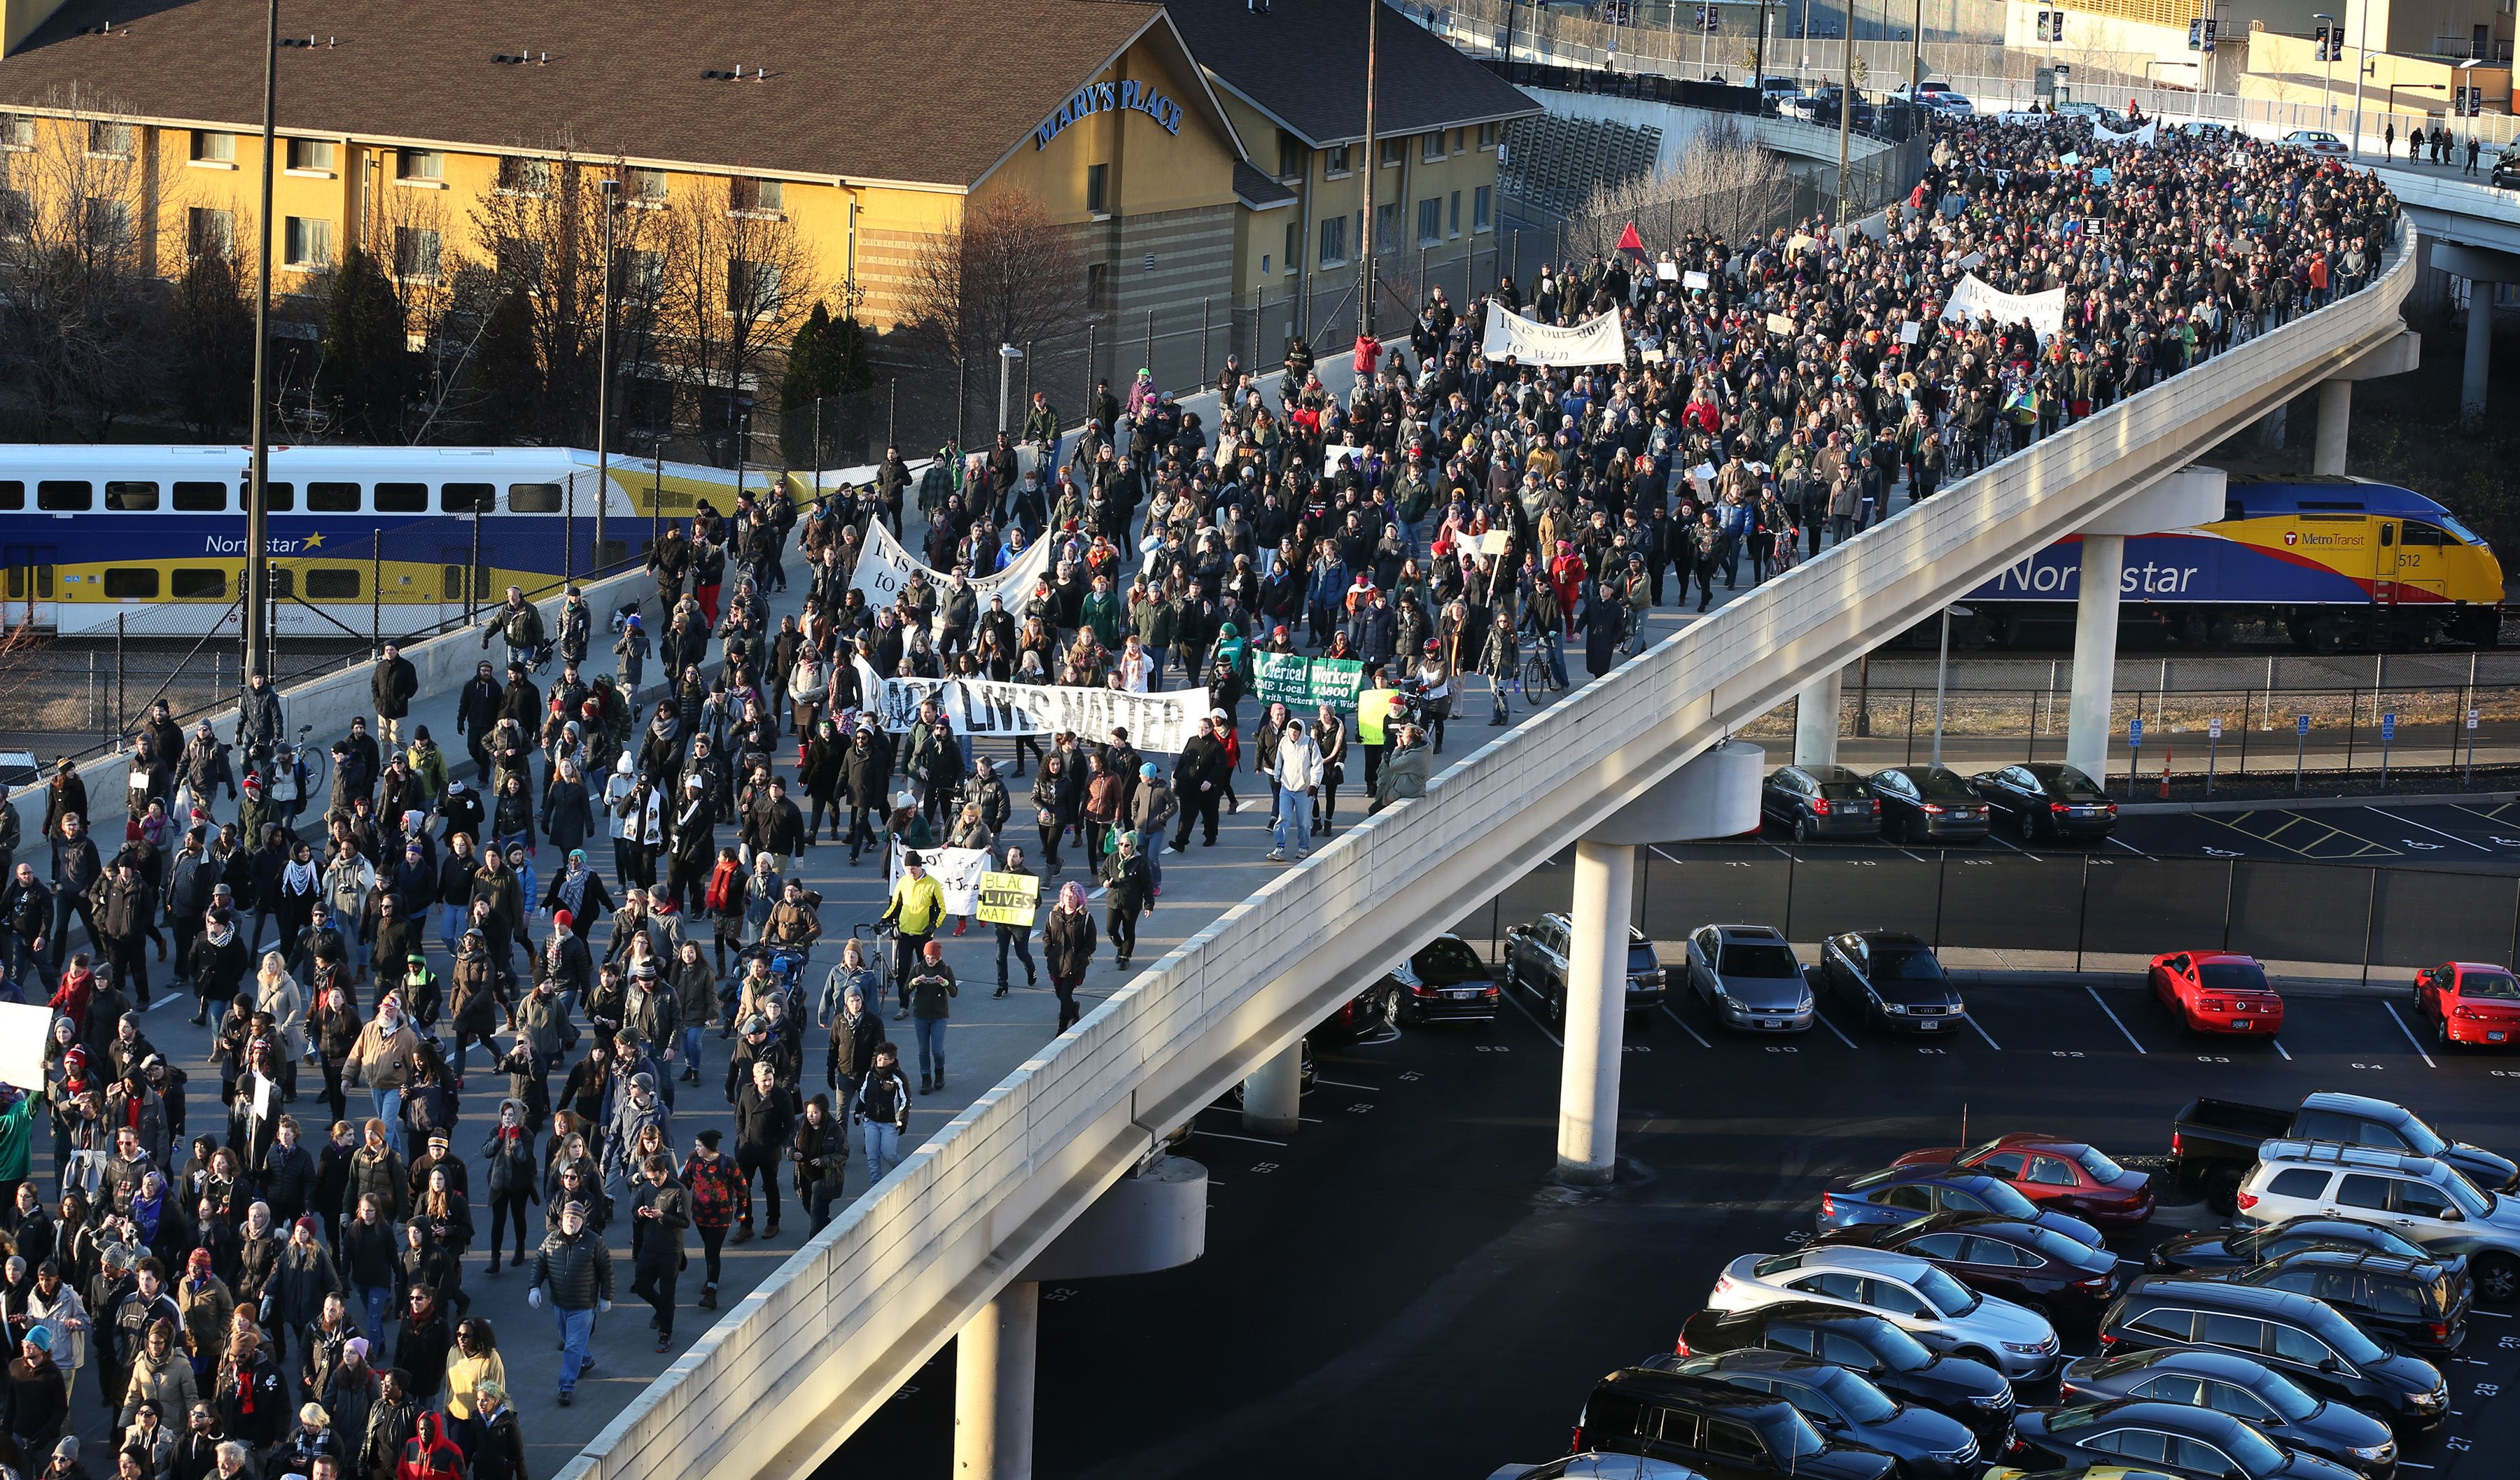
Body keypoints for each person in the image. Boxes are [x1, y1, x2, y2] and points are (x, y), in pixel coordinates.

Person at [524, 1199, 610, 1407]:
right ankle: (586, 1359)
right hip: (559, 1303)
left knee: (572, 1345)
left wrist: (606, 1297)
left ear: (583, 1220)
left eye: (574, 1217)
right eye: (567, 1217)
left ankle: (566, 1387)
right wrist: (534, 1287)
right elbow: (539, 1263)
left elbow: (606, 1271)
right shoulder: (551, 1240)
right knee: (567, 1338)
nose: (570, 1221)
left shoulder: (594, 1242)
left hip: (583, 1305)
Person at [626, 1155, 689, 1352]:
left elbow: (685, 1222)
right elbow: (634, 1212)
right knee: (642, 1286)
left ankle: (666, 1334)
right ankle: (662, 1310)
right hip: (649, 1246)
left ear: (665, 1173)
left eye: (656, 1178)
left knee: (668, 1292)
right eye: (650, 1178)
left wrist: (663, 1216)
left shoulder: (678, 1190)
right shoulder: (645, 1188)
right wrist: (641, 1213)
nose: (653, 1182)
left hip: (670, 1250)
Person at [874, 852, 942, 1022]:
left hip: (923, 935)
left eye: (913, 869)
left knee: (924, 970)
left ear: (920, 867)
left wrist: (933, 925)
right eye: (908, 869)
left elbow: (941, 909)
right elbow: (895, 906)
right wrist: (883, 920)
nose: (911, 872)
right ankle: (903, 1005)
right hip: (904, 933)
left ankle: (923, 1001)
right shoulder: (903, 882)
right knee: (903, 970)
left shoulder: (932, 885)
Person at [1041, 882, 1097, 1034]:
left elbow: (1090, 944)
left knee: (1065, 996)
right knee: (1060, 994)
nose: (1068, 899)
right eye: (1066, 896)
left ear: (1079, 899)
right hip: (1056, 963)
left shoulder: (1085, 918)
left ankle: (1062, 1028)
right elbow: (1047, 934)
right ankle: (1074, 1008)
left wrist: (1078, 959)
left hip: (1074, 966)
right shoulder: (1054, 915)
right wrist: (1049, 951)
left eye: (1072, 897)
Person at [902, 943, 955, 1095]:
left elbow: (954, 992)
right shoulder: (918, 969)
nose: (931, 960)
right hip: (921, 1015)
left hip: (940, 1015)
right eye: (928, 957)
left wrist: (944, 982)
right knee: (923, 1050)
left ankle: (940, 1073)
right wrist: (915, 982)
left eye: (934, 958)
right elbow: (905, 990)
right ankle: (926, 1078)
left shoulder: (946, 970)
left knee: (937, 1050)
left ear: (939, 958)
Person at [854, 1044, 911, 1183]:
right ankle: (876, 1184)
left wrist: (902, 1120)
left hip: (890, 1124)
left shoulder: (898, 1078)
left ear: (892, 1060)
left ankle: (905, 1174)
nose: (879, 1061)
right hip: (871, 1121)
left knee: (889, 1154)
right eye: (878, 1057)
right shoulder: (871, 1075)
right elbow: (863, 1094)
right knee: (872, 1155)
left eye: (883, 1059)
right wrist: (858, 1110)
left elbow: (905, 1100)